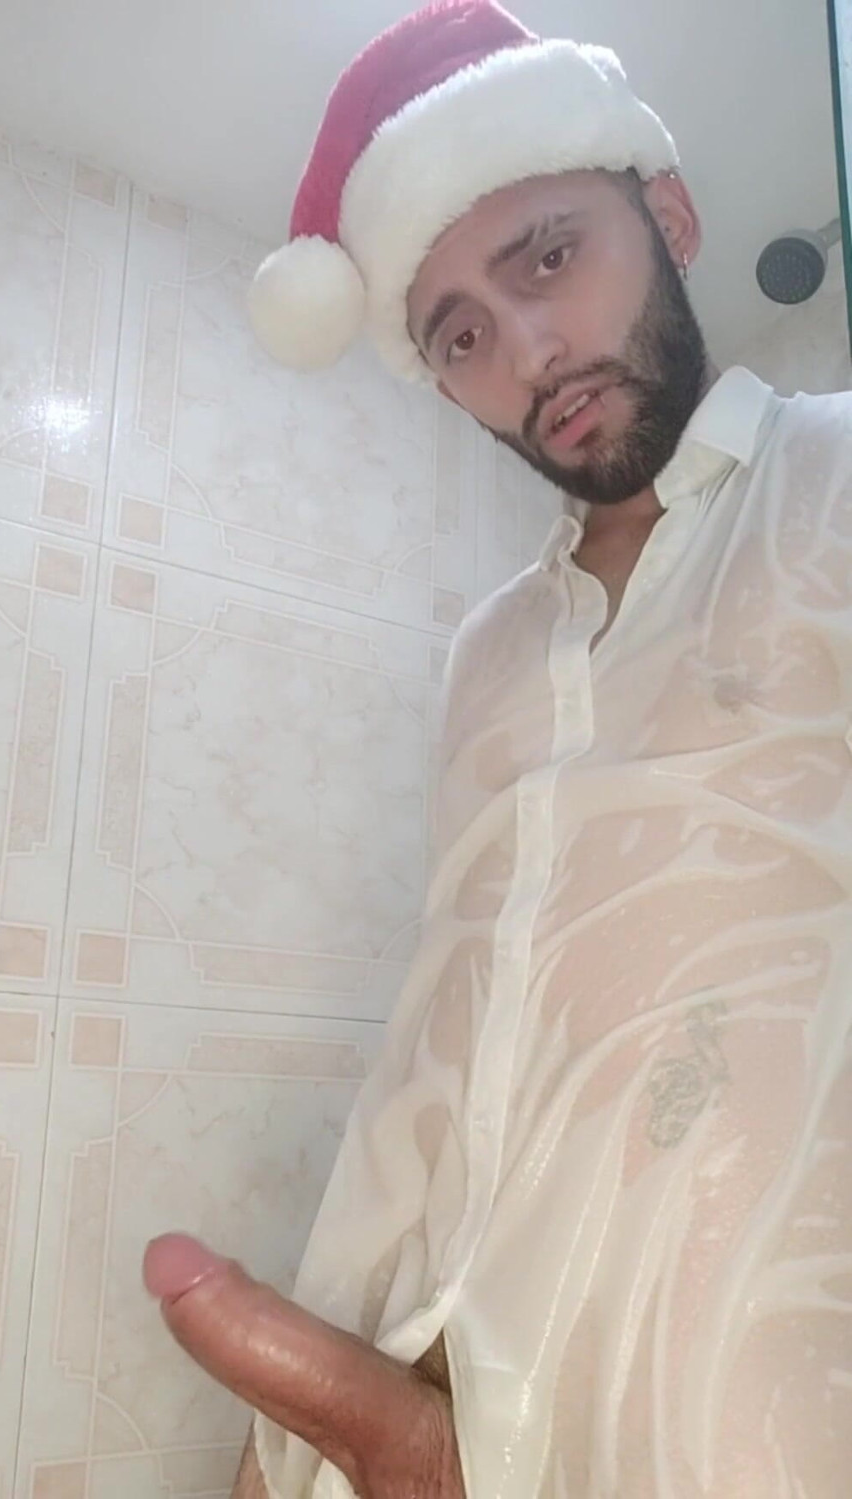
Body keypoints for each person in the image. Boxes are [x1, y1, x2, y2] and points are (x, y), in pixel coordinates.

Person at [143, 3, 852, 1494]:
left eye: (546, 257)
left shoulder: (837, 478)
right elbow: (453, 1021)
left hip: (747, 1397)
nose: (527, 352)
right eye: (459, 332)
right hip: (426, 1365)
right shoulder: (486, 653)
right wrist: (323, 1422)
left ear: (669, 216)